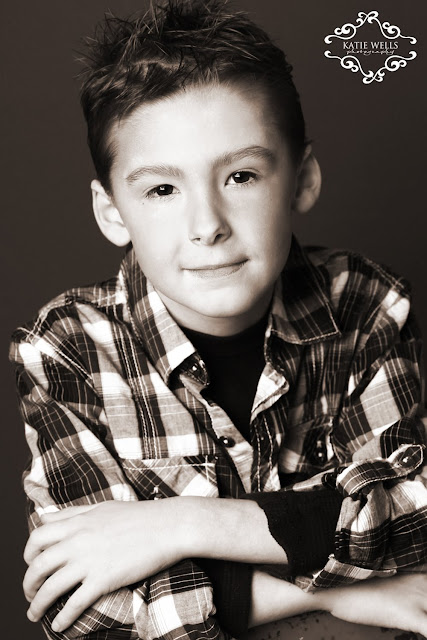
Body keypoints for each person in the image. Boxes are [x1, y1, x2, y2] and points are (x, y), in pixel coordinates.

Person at [10, 1, 427, 639]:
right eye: (162, 189)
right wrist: (357, 595)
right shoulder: (67, 348)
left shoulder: (366, 304)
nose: (207, 225)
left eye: (240, 175)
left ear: (302, 179)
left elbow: (412, 513)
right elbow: (86, 608)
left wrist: (179, 525)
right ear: (112, 212)